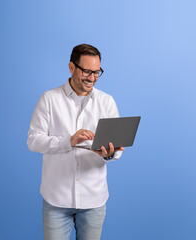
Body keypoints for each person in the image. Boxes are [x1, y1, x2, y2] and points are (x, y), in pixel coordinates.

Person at [27, 43, 124, 240]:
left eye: (97, 72)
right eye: (87, 71)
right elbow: (33, 141)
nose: (92, 78)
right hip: (56, 199)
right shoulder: (49, 99)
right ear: (72, 67)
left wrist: (110, 154)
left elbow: (117, 148)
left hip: (93, 200)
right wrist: (68, 141)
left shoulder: (107, 102)